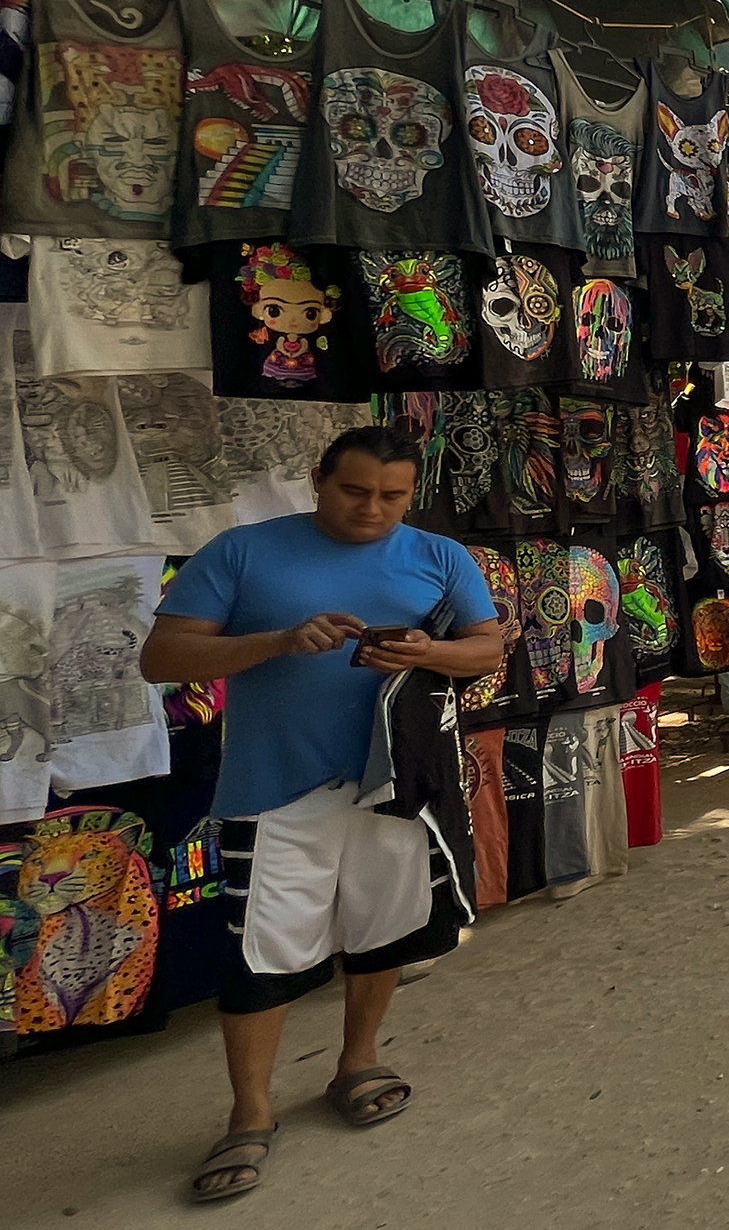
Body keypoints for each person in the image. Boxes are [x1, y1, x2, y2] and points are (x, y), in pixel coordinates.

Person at [139, 425, 510, 1204]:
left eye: (392, 495)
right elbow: (163, 656)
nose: (373, 508)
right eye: (355, 490)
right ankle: (251, 1112)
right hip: (274, 786)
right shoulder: (242, 551)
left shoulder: (440, 556)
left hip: (395, 783)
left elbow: (486, 649)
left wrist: (424, 652)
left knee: (382, 932)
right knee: (261, 955)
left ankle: (357, 1061)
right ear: (318, 478)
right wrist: (276, 640)